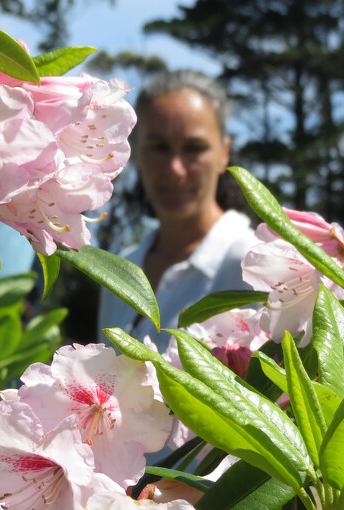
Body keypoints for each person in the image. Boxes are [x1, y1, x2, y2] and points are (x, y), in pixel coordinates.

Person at [97, 69, 257, 340]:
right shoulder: (121, 269)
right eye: (159, 147)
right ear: (133, 152)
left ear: (224, 153)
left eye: (194, 148)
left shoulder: (253, 264)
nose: (175, 170)